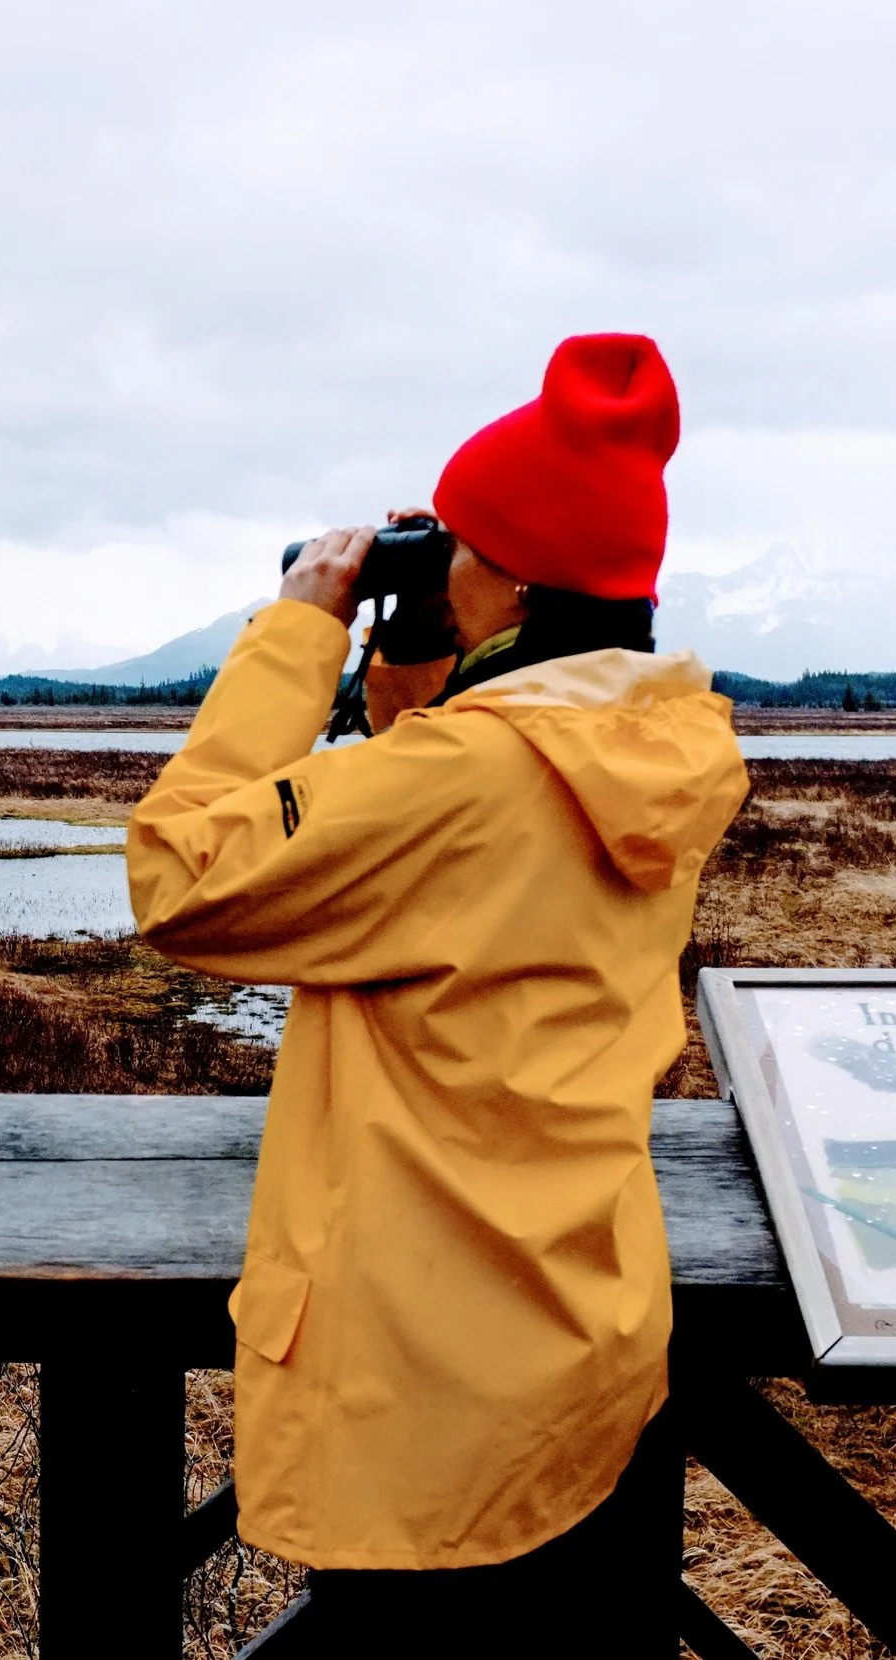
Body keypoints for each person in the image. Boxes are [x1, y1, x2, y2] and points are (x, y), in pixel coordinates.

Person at [126, 334, 748, 1653]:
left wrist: (301, 635)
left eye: (461, 550)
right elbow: (455, 799)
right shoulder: (657, 751)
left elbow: (181, 877)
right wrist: (419, 645)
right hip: (584, 1347)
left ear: (511, 585)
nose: (443, 567)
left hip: (428, 1399)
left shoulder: (465, 784)